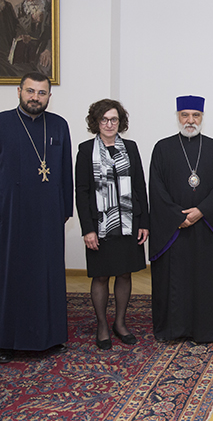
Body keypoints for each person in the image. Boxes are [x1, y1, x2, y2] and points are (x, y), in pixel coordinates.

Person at [0, 71, 72, 363]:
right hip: (9, 217)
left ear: (49, 96)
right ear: (19, 91)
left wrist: (64, 210)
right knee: (10, 277)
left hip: (47, 218)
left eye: (41, 93)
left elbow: (65, 172)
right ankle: (6, 341)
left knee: (47, 277)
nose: (35, 98)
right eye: (30, 91)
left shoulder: (59, 125)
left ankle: (50, 337)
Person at [148, 95, 213, 343]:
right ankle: (173, 329)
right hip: (173, 229)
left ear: (202, 118)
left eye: (195, 115)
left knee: (203, 279)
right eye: (185, 115)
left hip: (205, 227)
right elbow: (156, 187)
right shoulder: (162, 148)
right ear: (178, 117)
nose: (190, 120)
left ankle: (205, 328)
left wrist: (201, 210)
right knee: (174, 280)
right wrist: (177, 216)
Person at [75, 99, 149, 350]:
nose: (109, 124)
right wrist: (88, 229)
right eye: (104, 119)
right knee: (100, 276)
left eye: (114, 119)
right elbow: (82, 192)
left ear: (120, 122)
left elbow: (140, 186)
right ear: (96, 122)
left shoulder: (131, 148)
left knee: (125, 273)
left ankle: (120, 323)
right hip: (100, 226)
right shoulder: (86, 150)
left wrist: (144, 222)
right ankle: (102, 326)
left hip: (128, 223)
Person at [14, 0, 53, 75]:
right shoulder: (20, 8)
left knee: (45, 69)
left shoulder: (51, 4)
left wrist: (49, 49)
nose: (31, 0)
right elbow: (17, 28)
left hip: (45, 47)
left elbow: (57, 31)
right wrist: (31, 20)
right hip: (28, 51)